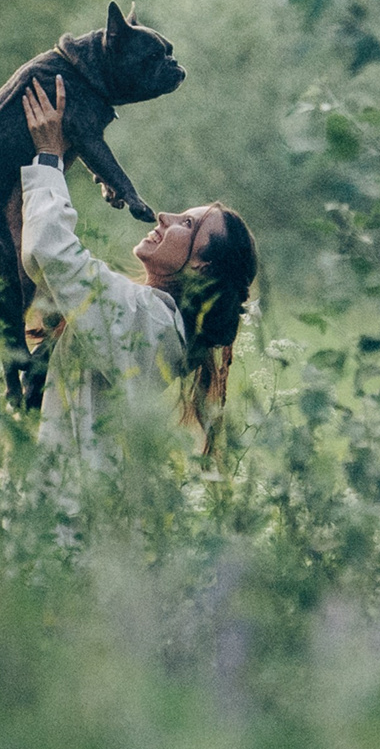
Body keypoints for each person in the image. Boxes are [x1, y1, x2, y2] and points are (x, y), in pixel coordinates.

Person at [17, 75, 257, 463]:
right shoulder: (151, 319)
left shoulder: (151, 328)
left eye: (188, 225)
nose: (165, 216)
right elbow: (48, 270)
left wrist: (49, 156)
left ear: (200, 265)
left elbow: (51, 252)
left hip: (71, 518)